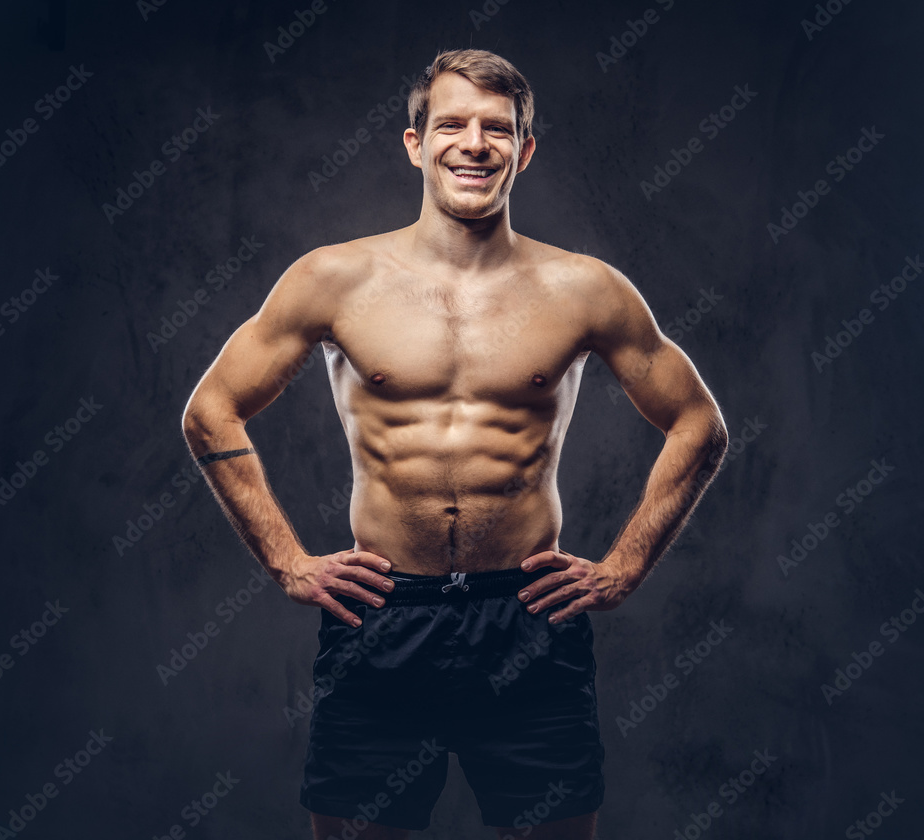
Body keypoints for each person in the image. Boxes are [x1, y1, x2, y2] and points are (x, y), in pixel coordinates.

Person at [182, 48, 728, 840]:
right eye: (452, 124)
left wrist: (627, 564)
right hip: (382, 613)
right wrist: (288, 561)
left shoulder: (584, 289)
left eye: (497, 129)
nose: (474, 143)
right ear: (415, 143)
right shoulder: (335, 279)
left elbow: (698, 423)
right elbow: (213, 409)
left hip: (528, 615)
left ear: (524, 150)